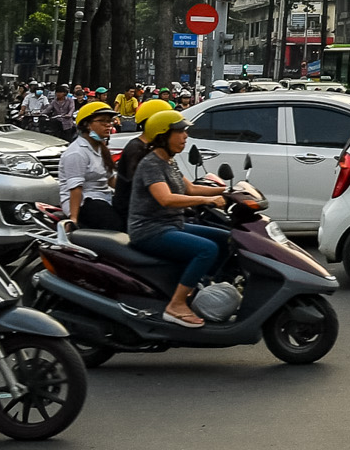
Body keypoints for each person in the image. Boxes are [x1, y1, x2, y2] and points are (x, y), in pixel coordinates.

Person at [125, 111, 233, 328]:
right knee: (207, 250)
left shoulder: (169, 161)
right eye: (180, 132)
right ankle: (176, 304)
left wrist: (227, 192)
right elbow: (165, 199)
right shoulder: (151, 164)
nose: (185, 136)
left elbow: (190, 188)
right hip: (150, 231)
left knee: (227, 238)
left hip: (171, 225)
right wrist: (207, 200)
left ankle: (200, 286)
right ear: (163, 135)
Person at [59, 101, 122, 231]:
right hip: (83, 201)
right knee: (116, 227)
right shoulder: (77, 152)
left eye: (110, 121)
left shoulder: (101, 148)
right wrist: (74, 219)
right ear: (87, 125)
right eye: (102, 121)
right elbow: (75, 188)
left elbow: (111, 180)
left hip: (102, 197)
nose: (108, 125)